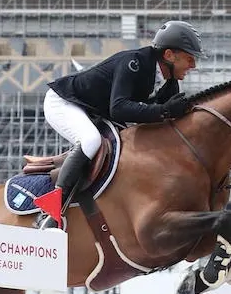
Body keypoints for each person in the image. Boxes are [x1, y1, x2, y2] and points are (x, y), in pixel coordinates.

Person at [40, 21, 203, 224]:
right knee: (91, 141)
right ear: (169, 55)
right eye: (189, 58)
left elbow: (163, 126)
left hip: (97, 112)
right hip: (65, 102)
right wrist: (165, 111)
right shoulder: (133, 63)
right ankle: (51, 210)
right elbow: (119, 108)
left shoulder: (170, 84)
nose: (193, 66)